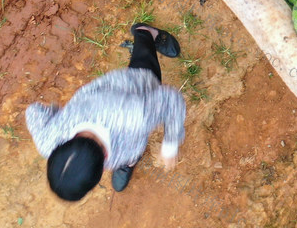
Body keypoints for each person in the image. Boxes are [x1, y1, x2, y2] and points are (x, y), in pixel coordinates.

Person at [26, 23, 186, 199]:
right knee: (131, 154)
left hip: (134, 86)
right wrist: (58, 115)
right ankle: (128, 162)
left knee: (146, 66)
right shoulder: (47, 142)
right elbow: (33, 111)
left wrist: (171, 142)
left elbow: (172, 101)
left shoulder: (137, 116)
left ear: (105, 161)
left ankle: (145, 34)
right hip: (102, 100)